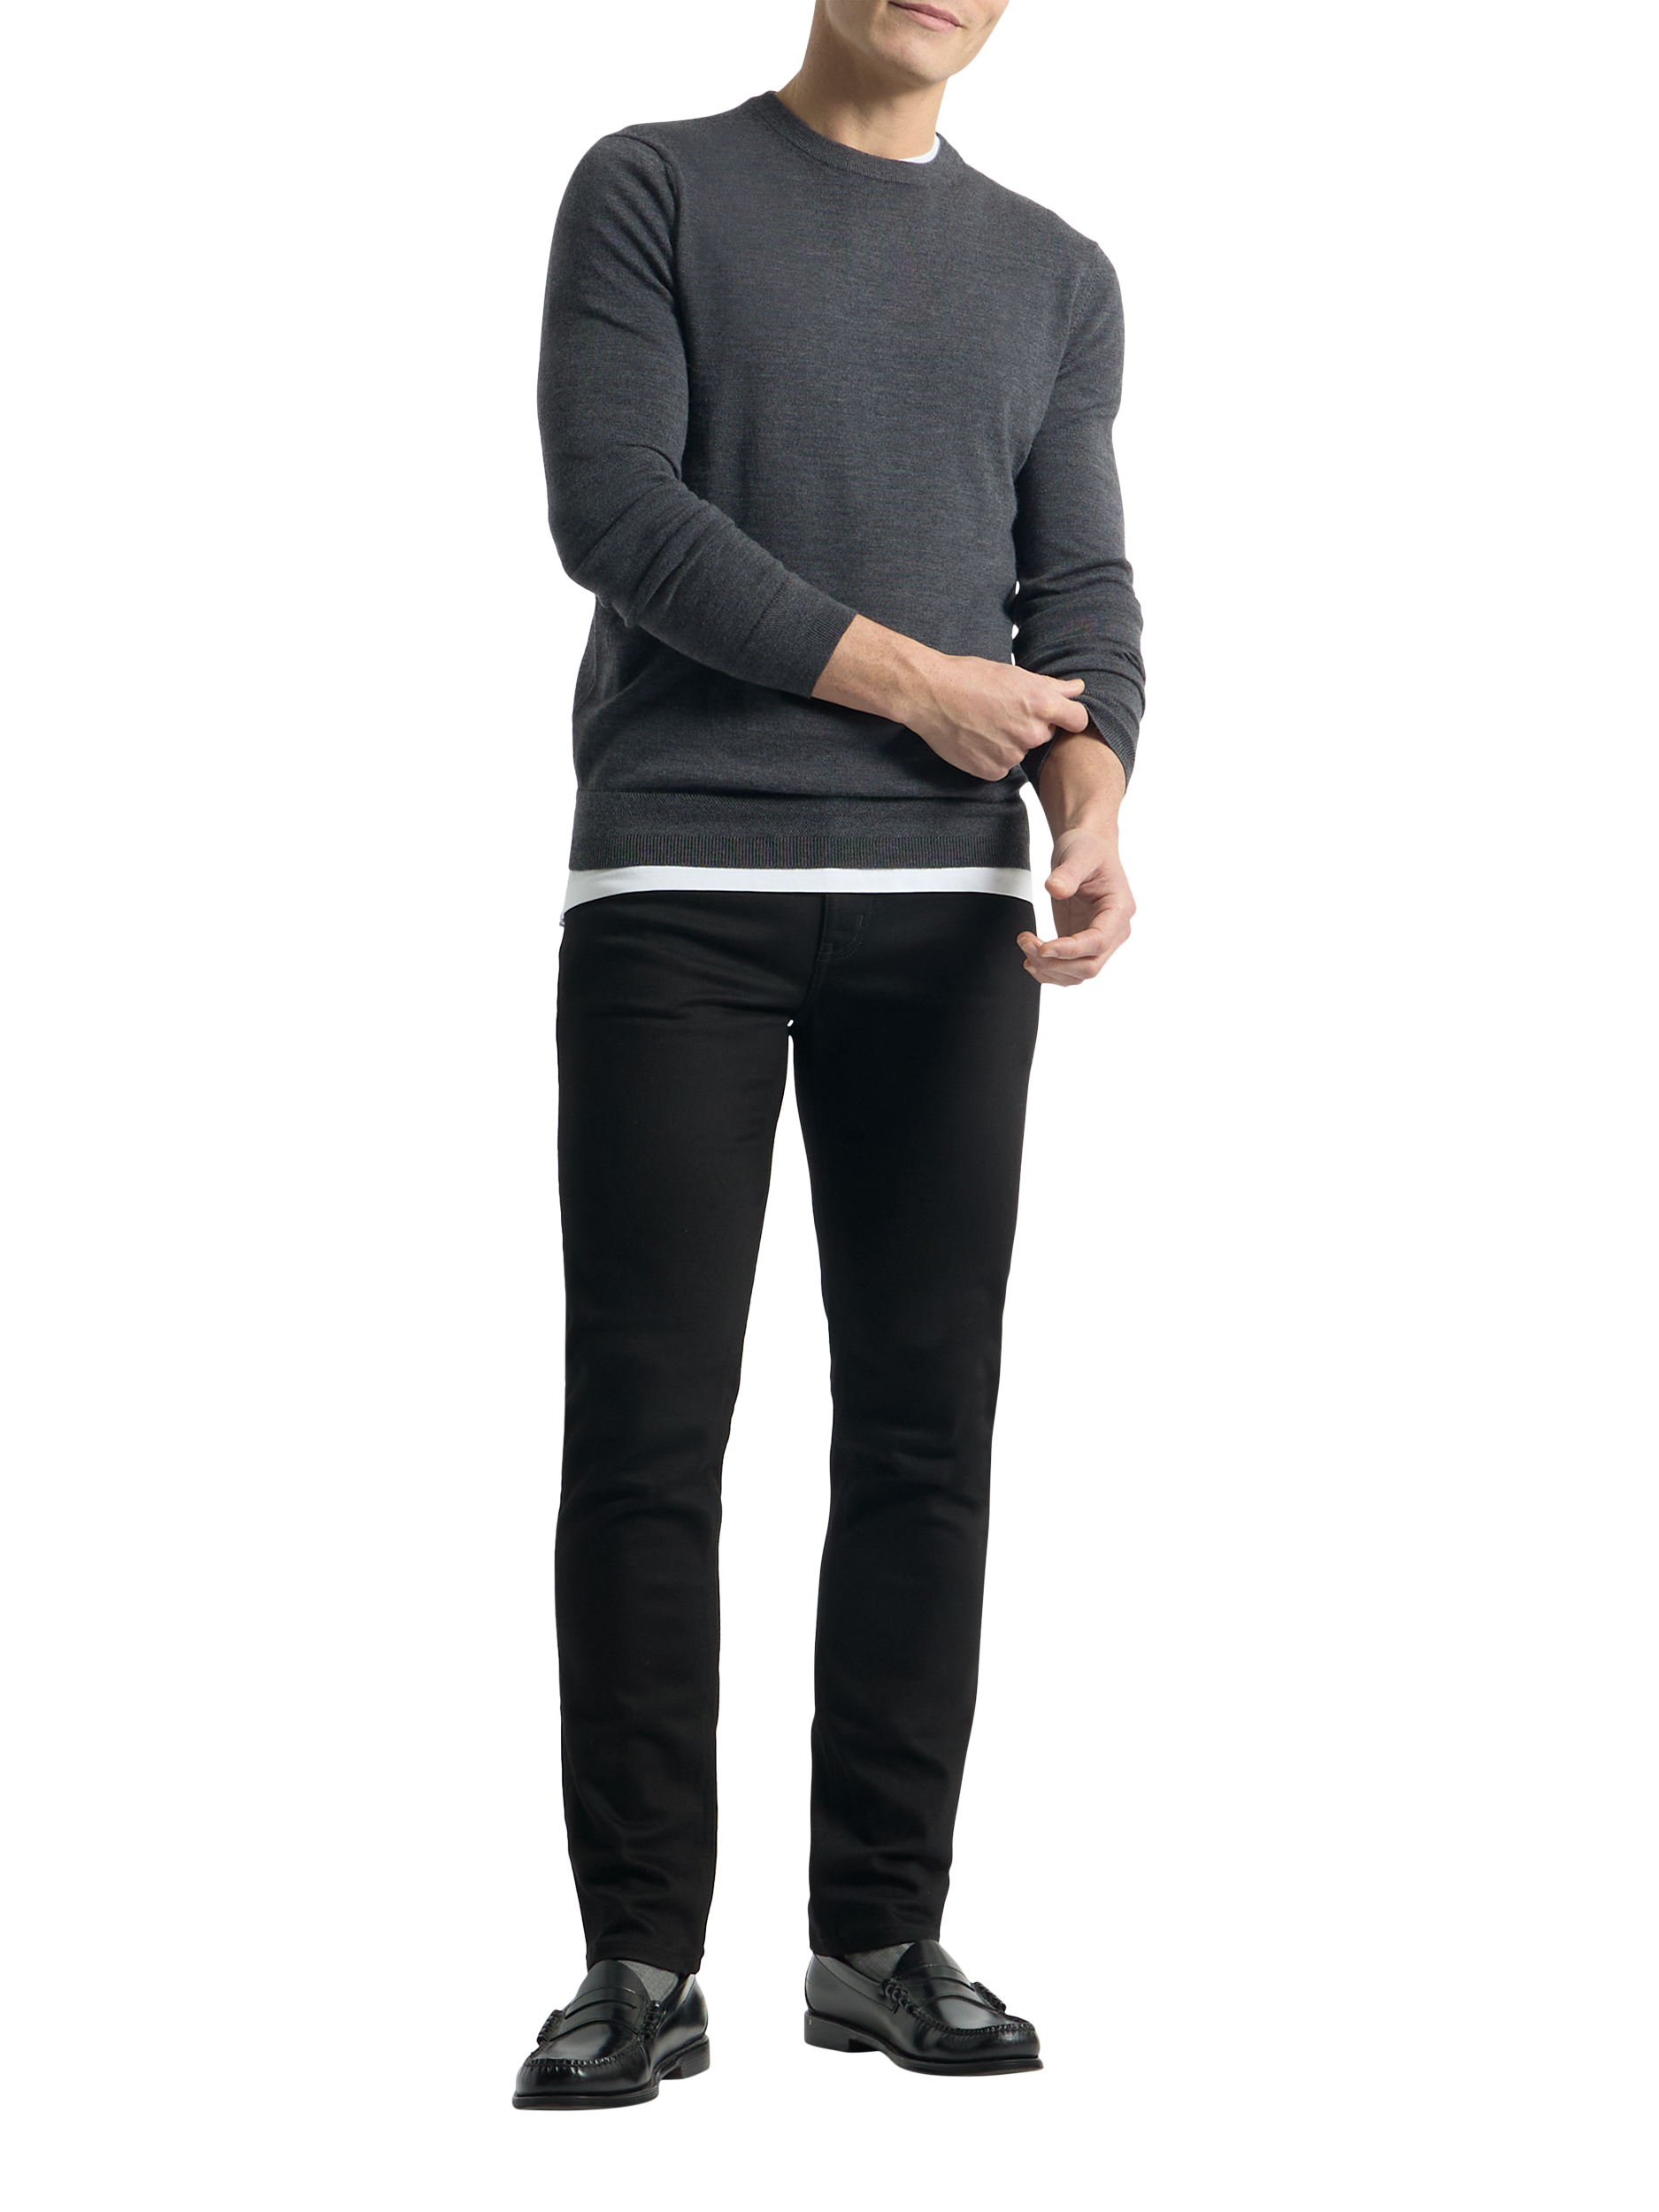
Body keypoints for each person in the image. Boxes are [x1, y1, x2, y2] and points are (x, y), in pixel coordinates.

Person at [513, 0, 1144, 2110]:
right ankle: (636, 1955)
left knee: (922, 1428)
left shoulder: (1055, 270)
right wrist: (915, 686)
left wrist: (1091, 803)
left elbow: (1082, 587)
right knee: (647, 1427)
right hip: (675, 885)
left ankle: (879, 1932)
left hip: (948, 920)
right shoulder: (653, 187)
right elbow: (615, 509)